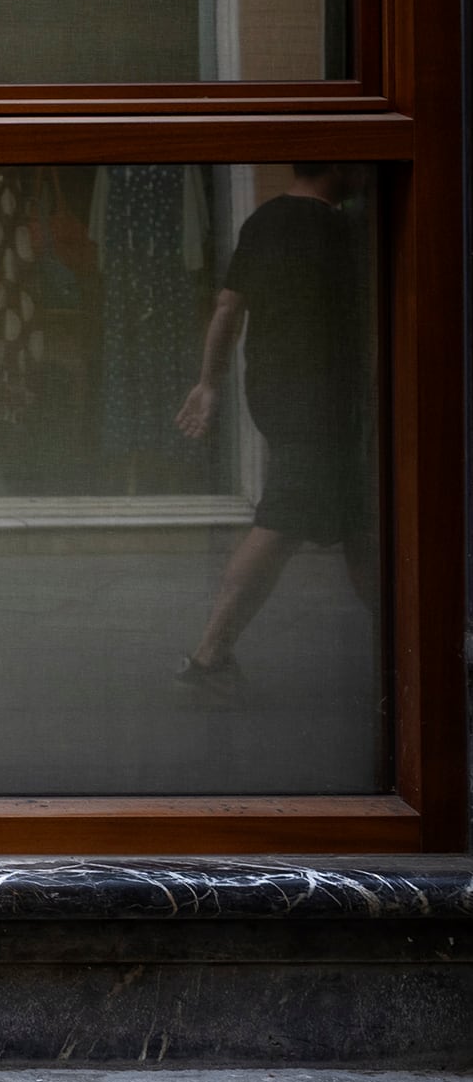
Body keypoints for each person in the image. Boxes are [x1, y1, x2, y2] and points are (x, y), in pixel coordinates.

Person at [172, 164, 373, 700]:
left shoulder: (264, 220)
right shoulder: (342, 229)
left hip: (276, 394)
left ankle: (411, 648)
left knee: (359, 521)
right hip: (321, 401)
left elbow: (228, 307)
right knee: (284, 518)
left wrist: (209, 383)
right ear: (338, 164)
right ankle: (208, 659)